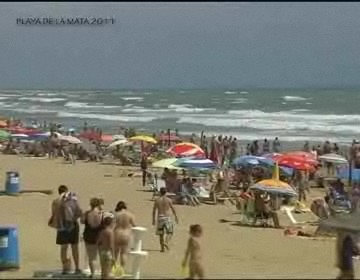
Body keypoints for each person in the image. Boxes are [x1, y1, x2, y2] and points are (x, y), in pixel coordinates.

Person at [48, 185, 82, 274]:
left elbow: (54, 214)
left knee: (63, 247)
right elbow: (78, 212)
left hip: (61, 226)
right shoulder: (72, 199)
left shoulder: (55, 202)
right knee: (75, 247)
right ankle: (77, 268)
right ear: (66, 191)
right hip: (73, 225)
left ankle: (65, 268)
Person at [81, 198, 104, 278]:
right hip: (100, 236)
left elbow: (82, 221)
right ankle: (103, 273)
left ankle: (93, 273)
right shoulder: (102, 214)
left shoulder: (87, 213)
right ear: (98, 205)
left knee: (91, 257)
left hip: (89, 236)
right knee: (102, 256)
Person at [152, 187, 179, 252]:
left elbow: (154, 211)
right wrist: (176, 217)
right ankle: (166, 241)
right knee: (170, 232)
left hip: (160, 218)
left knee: (161, 234)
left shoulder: (157, 200)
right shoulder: (169, 200)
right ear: (166, 192)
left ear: (160, 192)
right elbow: (173, 209)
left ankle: (162, 249)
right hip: (167, 218)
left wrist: (153, 220)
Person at [114, 201, 136, 268]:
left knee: (115, 253)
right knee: (124, 254)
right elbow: (134, 225)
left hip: (117, 233)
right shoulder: (130, 214)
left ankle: (113, 269)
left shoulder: (116, 214)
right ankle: (121, 270)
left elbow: (112, 225)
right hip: (127, 234)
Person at [97, 214, 116, 279]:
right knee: (108, 272)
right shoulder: (110, 232)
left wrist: (100, 250)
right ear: (111, 223)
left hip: (102, 252)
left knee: (103, 271)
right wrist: (113, 256)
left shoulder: (102, 232)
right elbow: (111, 245)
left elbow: (98, 242)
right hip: (108, 252)